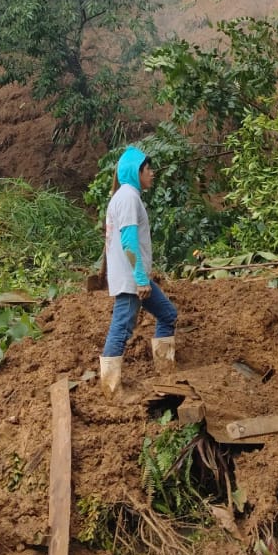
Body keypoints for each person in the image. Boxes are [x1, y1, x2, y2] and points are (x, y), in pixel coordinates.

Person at [100, 145, 179, 395]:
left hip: (133, 277)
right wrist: (141, 279)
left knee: (167, 314)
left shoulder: (126, 196)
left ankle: (167, 375)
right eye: (148, 169)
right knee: (121, 329)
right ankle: (111, 391)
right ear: (137, 171)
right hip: (132, 279)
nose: (152, 173)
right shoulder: (128, 198)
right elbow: (129, 241)